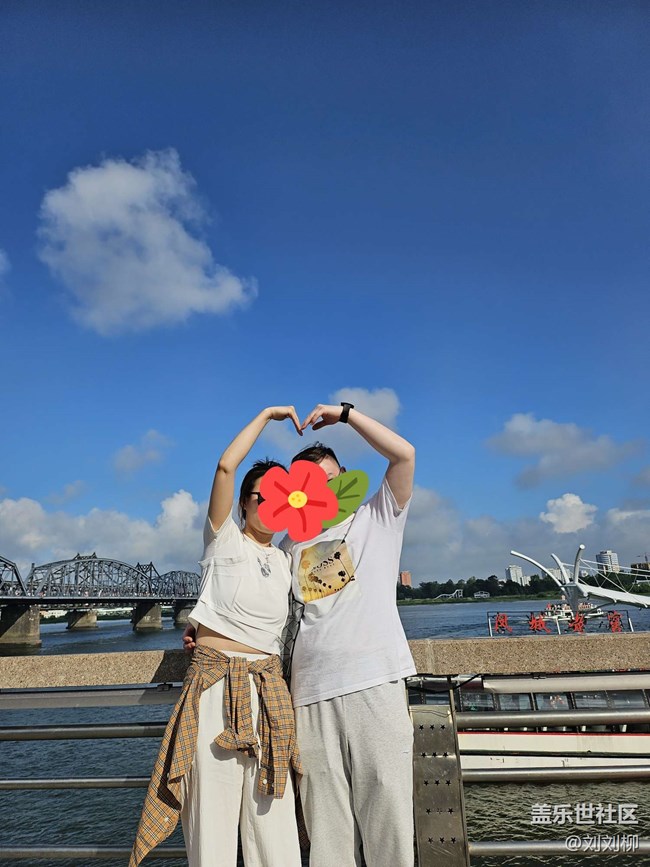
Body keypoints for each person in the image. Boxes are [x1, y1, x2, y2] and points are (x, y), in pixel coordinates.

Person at [130, 407, 304, 867]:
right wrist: (267, 416)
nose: (272, 504)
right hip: (213, 690)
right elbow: (226, 466)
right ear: (244, 503)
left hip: (268, 695)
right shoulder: (222, 540)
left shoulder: (288, 559)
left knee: (276, 837)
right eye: (262, 495)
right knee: (212, 832)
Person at [283, 402, 416, 867]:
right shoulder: (288, 545)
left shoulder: (377, 517)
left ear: (344, 478)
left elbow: (403, 455)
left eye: (329, 478)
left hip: (374, 682)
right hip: (308, 695)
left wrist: (346, 415)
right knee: (326, 833)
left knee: (389, 819)